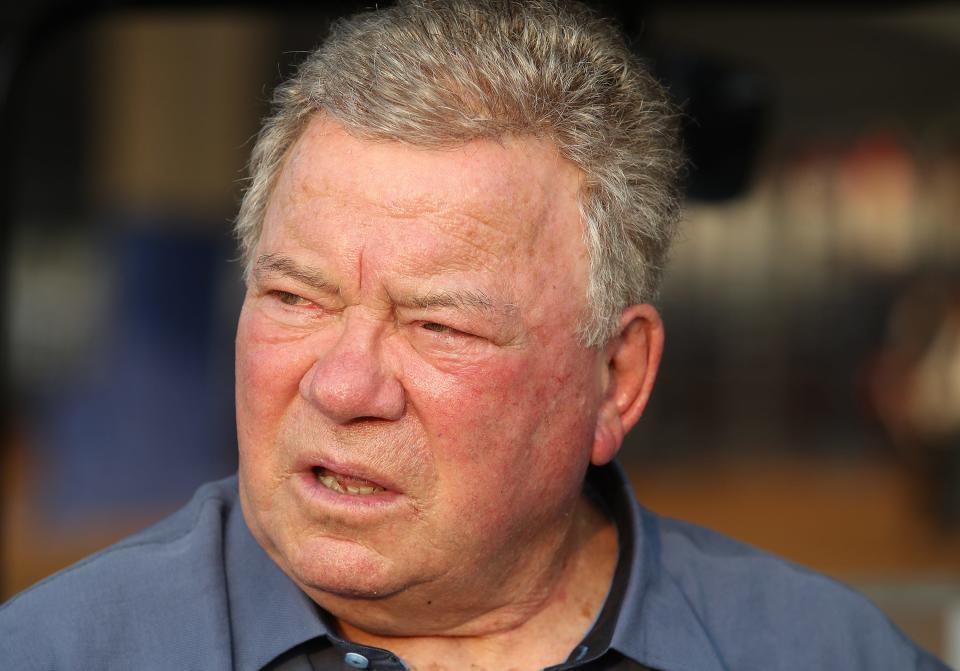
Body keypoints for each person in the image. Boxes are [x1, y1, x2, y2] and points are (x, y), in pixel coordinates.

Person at [1, 1, 949, 669]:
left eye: (437, 323)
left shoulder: (824, 652)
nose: (343, 384)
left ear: (617, 378)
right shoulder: (55, 652)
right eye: (296, 298)